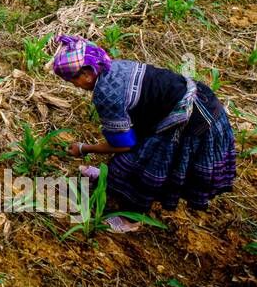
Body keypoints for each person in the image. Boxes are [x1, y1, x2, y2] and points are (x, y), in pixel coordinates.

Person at [50, 35, 236, 213]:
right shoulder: (115, 66)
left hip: (192, 120)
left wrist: (85, 149)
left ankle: (130, 219)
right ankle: (108, 179)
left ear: (88, 73)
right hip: (204, 100)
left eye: (73, 79)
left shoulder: (106, 94)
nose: (74, 85)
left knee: (140, 167)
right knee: (137, 151)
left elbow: (123, 145)